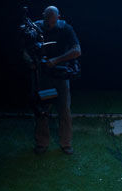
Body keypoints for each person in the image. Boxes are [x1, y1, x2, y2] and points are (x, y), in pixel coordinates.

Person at [34, 6, 81, 155]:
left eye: (54, 20)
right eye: (48, 20)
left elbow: (77, 50)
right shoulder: (36, 28)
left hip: (61, 77)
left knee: (64, 110)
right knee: (43, 110)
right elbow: (26, 47)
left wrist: (56, 60)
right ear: (44, 17)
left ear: (59, 17)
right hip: (45, 78)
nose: (51, 24)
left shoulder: (66, 28)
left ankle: (66, 143)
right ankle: (42, 142)